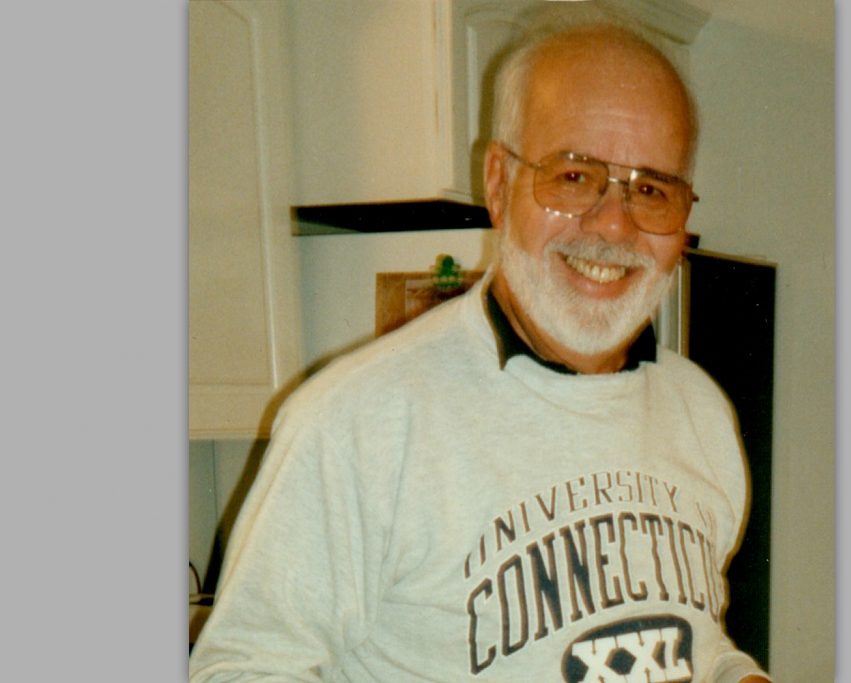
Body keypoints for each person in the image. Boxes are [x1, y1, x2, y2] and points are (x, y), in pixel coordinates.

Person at [189, 8, 772, 683]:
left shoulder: (700, 411)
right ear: (498, 184)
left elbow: (695, 641)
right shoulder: (359, 421)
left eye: (651, 189)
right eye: (575, 176)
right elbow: (240, 669)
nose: (614, 223)